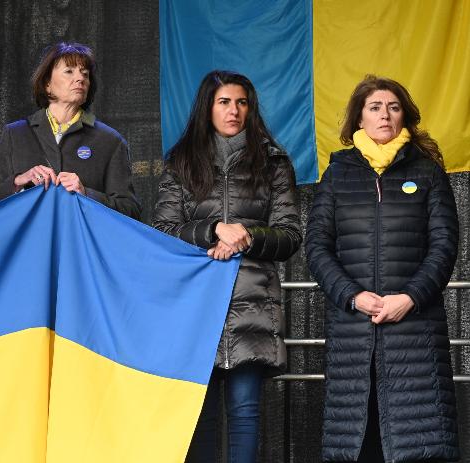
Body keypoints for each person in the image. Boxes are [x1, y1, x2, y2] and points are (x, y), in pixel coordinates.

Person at [305, 75, 459, 462]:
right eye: (374, 107)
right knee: (359, 445)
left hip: (416, 332)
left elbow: (444, 247)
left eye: (393, 107)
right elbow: (318, 247)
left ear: (404, 115)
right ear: (359, 119)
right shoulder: (337, 175)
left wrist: (409, 298)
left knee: (417, 447)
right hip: (353, 335)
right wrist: (353, 296)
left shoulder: (427, 173)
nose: (384, 115)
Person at [152, 70, 302, 463]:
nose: (234, 110)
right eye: (224, 102)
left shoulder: (273, 162)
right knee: (197, 415)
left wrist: (247, 237)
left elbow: (290, 235)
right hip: (195, 304)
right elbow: (163, 230)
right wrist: (213, 231)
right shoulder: (181, 161)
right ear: (208, 107)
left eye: (241, 102)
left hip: (252, 301)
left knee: (245, 412)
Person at [0, 42, 141, 219]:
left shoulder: (111, 141)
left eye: (85, 74)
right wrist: (18, 181)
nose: (80, 78)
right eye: (69, 71)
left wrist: (86, 194)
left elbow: (131, 211)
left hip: (80, 245)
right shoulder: (15, 134)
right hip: (29, 244)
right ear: (47, 83)